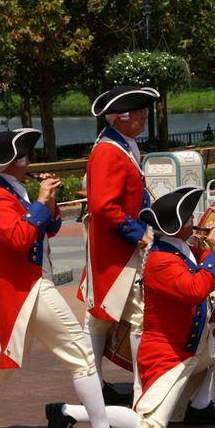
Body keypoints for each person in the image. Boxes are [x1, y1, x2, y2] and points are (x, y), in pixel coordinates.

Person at [0, 129, 141, 428]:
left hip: (21, 287)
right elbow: (19, 240)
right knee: (81, 357)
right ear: (7, 163)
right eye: (23, 156)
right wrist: (41, 204)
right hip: (23, 287)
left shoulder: (7, 188)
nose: (28, 161)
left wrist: (49, 203)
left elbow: (50, 228)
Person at [49, 187, 215, 428]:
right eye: (188, 219)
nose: (194, 222)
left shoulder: (179, 248)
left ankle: (200, 405)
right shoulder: (161, 259)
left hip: (191, 346)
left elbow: (207, 262)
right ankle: (69, 412)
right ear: (175, 227)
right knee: (149, 427)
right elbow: (196, 289)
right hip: (167, 356)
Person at [78, 86, 160, 406]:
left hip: (116, 249)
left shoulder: (122, 145)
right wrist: (138, 234)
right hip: (119, 251)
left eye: (144, 113)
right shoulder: (108, 151)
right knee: (137, 317)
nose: (144, 118)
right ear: (120, 117)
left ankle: (94, 386)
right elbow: (104, 206)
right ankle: (142, 389)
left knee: (98, 319)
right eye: (138, 114)